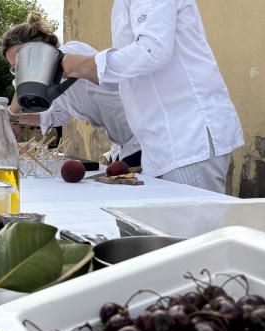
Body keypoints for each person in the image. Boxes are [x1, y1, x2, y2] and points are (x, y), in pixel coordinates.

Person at [61, 0, 244, 193]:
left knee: (190, 213)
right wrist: (81, 71)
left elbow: (153, 50)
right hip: (163, 146)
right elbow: (130, 77)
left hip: (187, 139)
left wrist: (83, 65)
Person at [1, 13, 142, 167]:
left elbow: (23, 86)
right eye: (15, 68)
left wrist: (9, 115)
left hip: (142, 139)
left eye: (21, 61)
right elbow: (57, 116)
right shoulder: (51, 84)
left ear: (38, 46)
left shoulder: (72, 51)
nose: (21, 71)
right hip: (122, 146)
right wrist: (15, 120)